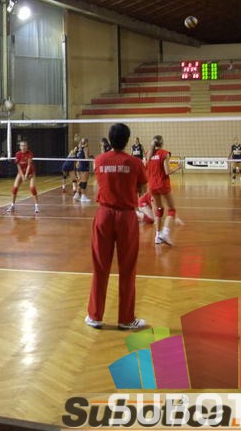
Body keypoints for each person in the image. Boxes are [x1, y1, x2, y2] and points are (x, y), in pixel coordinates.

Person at [85, 123, 148, 330]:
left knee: (100, 266)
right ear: (127, 140)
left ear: (109, 139)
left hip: (104, 215)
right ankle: (126, 319)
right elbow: (142, 189)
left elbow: (101, 182)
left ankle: (95, 316)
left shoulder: (99, 160)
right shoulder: (135, 163)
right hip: (126, 217)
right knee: (128, 268)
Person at [146, 135, 181, 246]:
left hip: (152, 185)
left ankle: (157, 236)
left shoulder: (148, 154)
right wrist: (178, 167)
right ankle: (165, 233)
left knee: (159, 209)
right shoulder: (164, 154)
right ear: (162, 143)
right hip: (162, 185)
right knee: (172, 209)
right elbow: (167, 172)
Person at [6, 140, 39, 213]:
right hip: (21, 173)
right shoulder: (18, 154)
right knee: (14, 188)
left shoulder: (30, 153)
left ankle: (36, 206)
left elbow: (29, 165)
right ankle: (12, 205)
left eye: (24, 145)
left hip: (30, 173)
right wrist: (23, 176)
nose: (23, 147)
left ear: (27, 147)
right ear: (20, 147)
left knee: (32, 188)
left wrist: (26, 176)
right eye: (21, 145)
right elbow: (18, 167)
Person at [73, 138, 91, 203]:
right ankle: (83, 196)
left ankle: (77, 194)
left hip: (80, 167)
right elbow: (86, 158)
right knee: (84, 181)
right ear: (86, 142)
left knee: (81, 181)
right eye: (87, 142)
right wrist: (91, 158)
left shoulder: (80, 149)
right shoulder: (86, 148)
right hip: (84, 166)